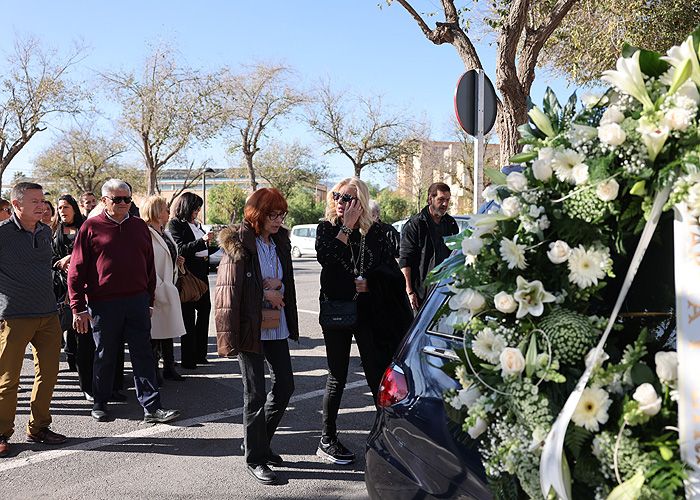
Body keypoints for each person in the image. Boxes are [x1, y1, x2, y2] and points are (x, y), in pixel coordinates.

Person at [315, 177, 413, 465]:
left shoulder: (379, 232)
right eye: (337, 196)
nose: (340, 202)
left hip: (370, 312)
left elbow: (390, 272)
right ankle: (327, 437)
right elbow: (328, 260)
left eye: (348, 198)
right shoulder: (327, 229)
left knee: (376, 373)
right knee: (337, 376)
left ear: (361, 201)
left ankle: (387, 435)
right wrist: (346, 225)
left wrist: (370, 282)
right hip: (336, 311)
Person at [68, 179, 180, 424]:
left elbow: (149, 266)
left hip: (137, 301)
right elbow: (76, 269)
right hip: (103, 304)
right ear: (104, 201)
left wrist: (149, 300)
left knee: (143, 355)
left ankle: (152, 407)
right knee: (105, 354)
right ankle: (100, 402)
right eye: (117, 199)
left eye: (127, 199)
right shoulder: (91, 227)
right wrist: (77, 306)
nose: (123, 203)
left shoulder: (140, 227)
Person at [215, 188, 298, 485]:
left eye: (281, 215)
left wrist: (280, 286)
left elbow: (285, 280)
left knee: (286, 385)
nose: (278, 220)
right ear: (257, 214)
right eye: (272, 215)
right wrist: (264, 292)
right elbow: (227, 292)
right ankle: (255, 458)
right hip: (250, 326)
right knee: (256, 395)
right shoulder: (240, 242)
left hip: (275, 324)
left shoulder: (279, 242)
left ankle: (257, 443)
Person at [0, 182, 68, 458]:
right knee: (7, 379)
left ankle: (39, 427)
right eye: (35, 202)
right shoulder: (2, 234)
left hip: (48, 314)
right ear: (16, 205)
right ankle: (2, 432)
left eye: (42, 200)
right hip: (13, 317)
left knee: (50, 374)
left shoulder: (44, 231)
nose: (42, 206)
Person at [52, 194, 125, 401]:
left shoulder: (87, 227)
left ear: (74, 208)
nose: (62, 211)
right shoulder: (53, 232)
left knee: (107, 342)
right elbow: (49, 259)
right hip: (67, 292)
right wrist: (61, 262)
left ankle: (112, 386)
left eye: (65, 207)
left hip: (94, 290)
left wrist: (73, 258)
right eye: (59, 208)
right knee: (82, 341)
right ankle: (89, 387)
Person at [167, 192, 215, 369]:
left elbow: (203, 249)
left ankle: (200, 354)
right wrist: (202, 241)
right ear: (187, 207)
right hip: (188, 276)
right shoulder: (176, 224)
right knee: (188, 316)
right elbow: (181, 248)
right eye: (195, 208)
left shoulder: (197, 225)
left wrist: (216, 245)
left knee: (204, 315)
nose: (198, 211)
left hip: (202, 275)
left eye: (199, 208)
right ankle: (188, 358)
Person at [142, 195, 186, 383]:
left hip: (169, 285)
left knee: (168, 330)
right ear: (156, 211)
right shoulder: (145, 233)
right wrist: (158, 286)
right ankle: (154, 371)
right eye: (165, 209)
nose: (168, 212)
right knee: (154, 333)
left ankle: (169, 366)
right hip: (155, 288)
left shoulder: (164, 232)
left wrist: (178, 263)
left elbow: (167, 256)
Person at [399, 182, 459, 311]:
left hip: (445, 291)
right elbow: (405, 260)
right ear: (430, 199)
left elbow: (456, 256)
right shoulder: (415, 224)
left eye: (447, 200)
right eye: (441, 199)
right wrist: (409, 291)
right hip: (420, 293)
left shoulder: (451, 224)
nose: (445, 204)